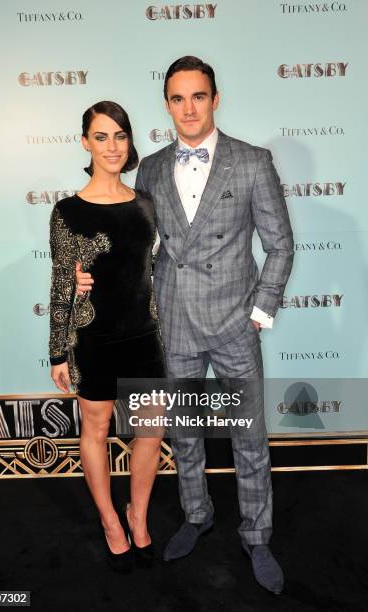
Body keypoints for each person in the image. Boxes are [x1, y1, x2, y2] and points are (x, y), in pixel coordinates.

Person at [76, 57, 294, 594]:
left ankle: (257, 532)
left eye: (198, 97)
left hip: (235, 320)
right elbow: (134, 246)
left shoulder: (252, 162)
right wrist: (90, 279)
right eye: (177, 99)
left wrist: (260, 310)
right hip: (173, 321)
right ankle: (196, 514)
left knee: (248, 434)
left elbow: (280, 245)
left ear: (215, 100)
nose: (188, 108)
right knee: (185, 433)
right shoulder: (147, 168)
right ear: (167, 105)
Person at [49, 100, 166, 572]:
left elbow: (154, 269)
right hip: (92, 338)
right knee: (94, 430)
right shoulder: (67, 212)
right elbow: (61, 283)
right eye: (102, 136)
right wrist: (57, 351)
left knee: (151, 432)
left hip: (143, 336)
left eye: (120, 135)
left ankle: (138, 513)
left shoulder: (146, 205)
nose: (112, 146)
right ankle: (109, 521)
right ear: (85, 142)